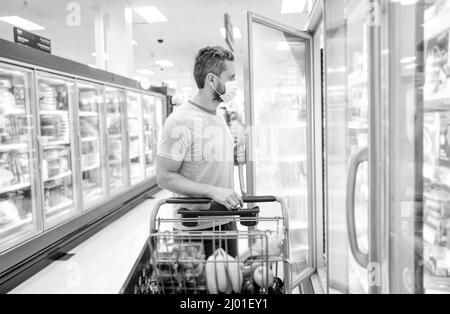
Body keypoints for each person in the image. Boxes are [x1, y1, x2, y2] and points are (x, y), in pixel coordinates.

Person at [156, 46, 243, 258]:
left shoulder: (217, 115)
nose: (234, 84)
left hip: (225, 221)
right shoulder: (180, 120)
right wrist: (213, 191)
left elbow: (205, 159)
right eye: (230, 77)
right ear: (212, 80)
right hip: (195, 230)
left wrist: (234, 156)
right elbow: (164, 177)